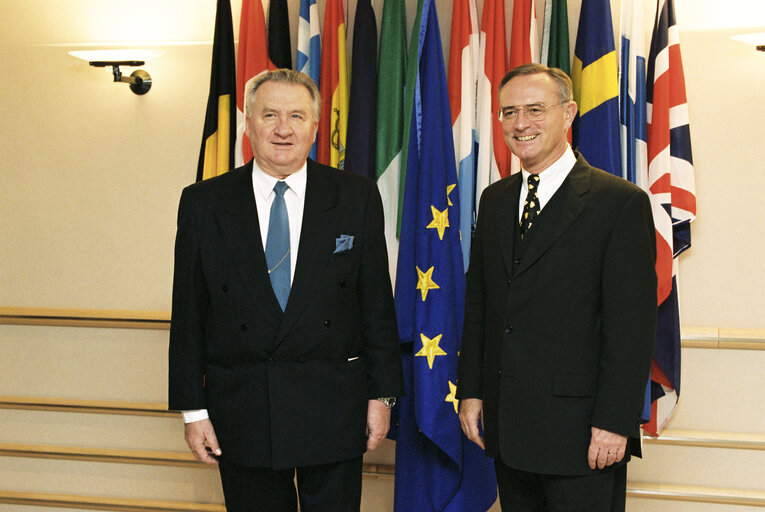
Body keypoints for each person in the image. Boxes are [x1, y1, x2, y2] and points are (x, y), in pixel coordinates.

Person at [169, 69, 403, 512]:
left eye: (297, 116)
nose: (283, 128)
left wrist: (383, 396)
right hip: (243, 407)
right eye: (270, 114)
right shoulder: (204, 202)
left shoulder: (355, 196)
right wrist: (192, 411)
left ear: (316, 126)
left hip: (333, 403)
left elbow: (376, 305)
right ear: (248, 123)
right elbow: (188, 313)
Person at [457, 63, 657, 511]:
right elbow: (481, 305)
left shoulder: (619, 202)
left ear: (568, 114)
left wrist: (615, 422)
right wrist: (472, 390)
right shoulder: (495, 200)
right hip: (509, 426)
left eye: (534, 109)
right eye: (509, 112)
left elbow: (633, 327)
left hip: (582, 434)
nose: (520, 123)